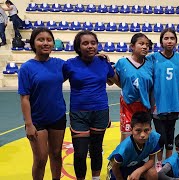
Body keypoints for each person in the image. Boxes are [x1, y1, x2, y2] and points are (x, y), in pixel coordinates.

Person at [63, 30, 117, 180]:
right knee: (80, 153)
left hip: (100, 112)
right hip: (79, 114)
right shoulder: (69, 65)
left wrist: (109, 62)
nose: (90, 46)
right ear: (78, 47)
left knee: (96, 149)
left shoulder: (102, 62)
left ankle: (96, 178)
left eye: (93, 43)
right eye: (85, 43)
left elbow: (113, 80)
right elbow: (55, 81)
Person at [18, 27, 66, 180]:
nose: (45, 43)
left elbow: (80, 64)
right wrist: (28, 124)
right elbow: (24, 98)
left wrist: (97, 56)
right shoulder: (26, 68)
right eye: (41, 39)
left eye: (49, 40)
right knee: (40, 159)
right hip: (37, 119)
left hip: (57, 116)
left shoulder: (60, 64)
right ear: (33, 43)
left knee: (57, 154)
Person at [148, 28, 179, 171]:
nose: (169, 41)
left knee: (170, 137)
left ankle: (168, 164)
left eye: (172, 38)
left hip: (174, 103)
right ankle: (159, 163)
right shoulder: (153, 58)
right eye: (166, 38)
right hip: (158, 103)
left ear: (176, 41)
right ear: (161, 41)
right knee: (161, 137)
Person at [114, 33, 153, 142]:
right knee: (126, 138)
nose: (145, 47)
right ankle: (123, 159)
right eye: (141, 44)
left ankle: (141, 159)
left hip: (143, 106)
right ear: (132, 46)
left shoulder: (150, 64)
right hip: (127, 105)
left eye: (147, 45)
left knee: (142, 137)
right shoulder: (122, 63)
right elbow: (111, 80)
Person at [107, 111, 160, 180]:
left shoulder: (153, 138)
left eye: (146, 130)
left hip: (135, 165)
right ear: (131, 130)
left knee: (152, 173)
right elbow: (115, 167)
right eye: (138, 130)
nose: (142, 135)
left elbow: (151, 160)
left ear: (151, 129)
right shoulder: (124, 148)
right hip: (118, 169)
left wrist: (138, 171)